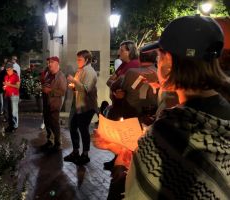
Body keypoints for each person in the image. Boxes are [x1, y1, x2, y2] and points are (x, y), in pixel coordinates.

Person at [94, 15, 230, 199]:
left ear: (169, 62)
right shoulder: (222, 113)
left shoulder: (169, 131)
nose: (157, 64)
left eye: (158, 57)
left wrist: (121, 162)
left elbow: (132, 192)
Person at [104, 40, 141, 171]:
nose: (119, 52)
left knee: (125, 137)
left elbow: (127, 86)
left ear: (129, 51)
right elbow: (110, 81)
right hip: (117, 105)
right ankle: (117, 160)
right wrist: (116, 85)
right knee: (117, 136)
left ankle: (123, 163)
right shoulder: (123, 65)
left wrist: (118, 86)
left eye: (122, 49)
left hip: (127, 107)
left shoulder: (135, 65)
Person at [64, 50, 98, 165]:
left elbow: (86, 89)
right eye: (77, 59)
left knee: (83, 129)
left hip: (86, 106)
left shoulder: (90, 72)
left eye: (80, 59)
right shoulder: (80, 70)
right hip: (78, 105)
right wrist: (73, 86)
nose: (77, 61)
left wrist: (74, 81)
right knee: (73, 126)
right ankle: (75, 151)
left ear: (87, 60)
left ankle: (85, 154)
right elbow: (78, 87)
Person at [40, 56, 67, 151]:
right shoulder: (48, 74)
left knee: (54, 123)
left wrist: (50, 91)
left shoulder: (61, 76)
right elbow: (45, 84)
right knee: (47, 122)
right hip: (46, 103)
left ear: (57, 64)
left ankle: (58, 143)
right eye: (49, 63)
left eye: (51, 62)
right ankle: (50, 141)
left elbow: (63, 92)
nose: (49, 64)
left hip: (54, 104)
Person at [3, 62, 20, 133]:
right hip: (7, 95)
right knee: (8, 111)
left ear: (12, 69)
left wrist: (9, 84)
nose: (8, 71)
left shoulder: (16, 76)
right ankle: (10, 125)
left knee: (14, 112)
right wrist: (4, 87)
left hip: (14, 95)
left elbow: (17, 86)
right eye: (6, 70)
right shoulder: (6, 76)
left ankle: (15, 126)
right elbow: (6, 86)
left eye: (9, 70)